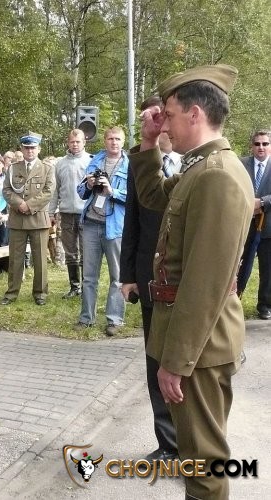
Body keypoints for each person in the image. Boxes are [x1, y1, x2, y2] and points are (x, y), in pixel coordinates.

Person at [134, 64, 253, 499]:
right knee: (196, 455)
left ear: (195, 113)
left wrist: (176, 361)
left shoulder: (216, 175)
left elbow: (205, 284)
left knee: (203, 463)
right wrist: (148, 143)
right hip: (195, 342)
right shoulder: (200, 168)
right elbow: (152, 196)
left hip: (199, 347)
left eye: (168, 114)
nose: (163, 123)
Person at [120, 96, 178, 463]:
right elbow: (133, 219)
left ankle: (195, 441)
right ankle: (169, 444)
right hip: (149, 275)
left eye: (164, 117)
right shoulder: (139, 163)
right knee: (156, 360)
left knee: (186, 363)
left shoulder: (199, 162)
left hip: (185, 279)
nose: (159, 125)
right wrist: (128, 275)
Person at [76, 126, 128, 336]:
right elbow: (80, 192)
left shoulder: (130, 165)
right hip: (91, 223)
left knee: (117, 276)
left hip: (115, 226)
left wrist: (112, 191)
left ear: (123, 142)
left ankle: (114, 320)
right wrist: (89, 185)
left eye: (118, 139)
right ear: (105, 141)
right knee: (89, 276)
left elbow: (134, 197)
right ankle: (86, 318)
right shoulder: (95, 161)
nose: (114, 142)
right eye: (110, 139)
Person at [0, 132, 54, 306]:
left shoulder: (47, 168)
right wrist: (19, 204)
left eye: (33, 148)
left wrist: (28, 205)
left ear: (39, 149)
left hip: (38, 219)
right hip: (17, 219)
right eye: (27, 148)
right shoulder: (13, 168)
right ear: (22, 149)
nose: (30, 151)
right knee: (15, 259)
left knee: (40, 259)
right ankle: (11, 293)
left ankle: (40, 293)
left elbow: (48, 192)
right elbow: (6, 190)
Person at [48, 129, 92, 298]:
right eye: (72, 142)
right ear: (68, 143)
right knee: (70, 251)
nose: (75, 145)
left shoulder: (91, 161)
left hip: (86, 213)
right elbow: (55, 190)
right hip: (66, 213)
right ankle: (74, 286)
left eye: (78, 142)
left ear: (84, 142)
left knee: (86, 251)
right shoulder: (60, 164)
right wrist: (51, 212)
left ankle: (87, 287)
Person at [238, 130, 271, 319]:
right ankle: (235, 300)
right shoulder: (241, 164)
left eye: (265, 144)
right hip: (244, 225)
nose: (261, 147)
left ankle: (265, 306)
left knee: (268, 269)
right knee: (241, 265)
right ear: (252, 146)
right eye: (257, 144)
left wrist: (263, 202)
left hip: (268, 227)